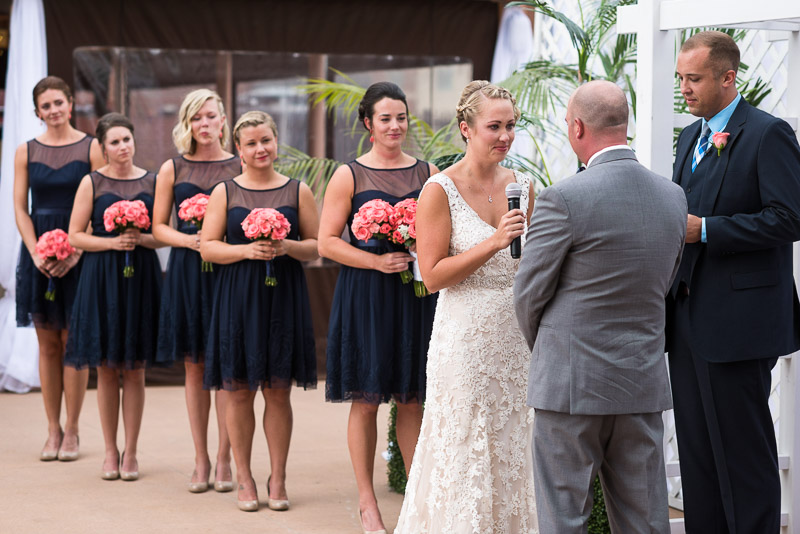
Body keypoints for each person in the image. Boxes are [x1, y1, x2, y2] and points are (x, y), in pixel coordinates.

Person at [513, 80, 686, 534]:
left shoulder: (563, 197)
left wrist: (554, 350)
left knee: (564, 519)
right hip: (640, 383)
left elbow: (529, 294)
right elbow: (665, 283)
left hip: (570, 388)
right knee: (645, 520)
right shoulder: (673, 197)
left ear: (577, 127)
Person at [668, 31, 800, 532]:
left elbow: (790, 217)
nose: (685, 88)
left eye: (694, 78)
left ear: (728, 78)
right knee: (698, 456)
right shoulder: (688, 137)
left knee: (744, 457)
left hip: (740, 325)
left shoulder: (769, 134)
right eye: (681, 77)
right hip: (685, 319)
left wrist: (708, 230)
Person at [395, 80, 536, 534]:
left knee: (515, 445)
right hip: (464, 340)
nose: (505, 136)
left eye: (511, 126)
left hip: (517, 341)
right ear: (466, 129)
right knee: (465, 448)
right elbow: (432, 276)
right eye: (494, 126)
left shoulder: (524, 187)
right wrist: (495, 242)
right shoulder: (439, 190)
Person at [319, 82, 438, 534]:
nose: (395, 126)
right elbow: (326, 241)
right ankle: (368, 503)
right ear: (368, 124)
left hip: (414, 296)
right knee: (367, 399)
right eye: (385, 118)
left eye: (401, 117)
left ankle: (417, 502)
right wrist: (375, 259)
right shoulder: (349, 175)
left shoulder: (427, 172)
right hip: (365, 296)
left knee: (411, 397)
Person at [201, 111, 318, 512]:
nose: (260, 149)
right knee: (237, 392)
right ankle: (245, 477)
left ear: (276, 141)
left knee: (278, 391)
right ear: (239, 149)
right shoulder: (225, 192)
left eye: (266, 140)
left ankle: (278, 477)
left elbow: (318, 246)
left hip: (283, 296)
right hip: (238, 297)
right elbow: (208, 247)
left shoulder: (298, 190)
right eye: (251, 143)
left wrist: (288, 247)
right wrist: (246, 251)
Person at [64, 113, 165, 481]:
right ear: (103, 148)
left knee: (135, 369)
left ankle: (132, 452)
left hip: (141, 277)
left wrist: (140, 238)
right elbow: (75, 235)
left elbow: (162, 234)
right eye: (115, 142)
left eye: (127, 139)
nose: (123, 147)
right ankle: (110, 450)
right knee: (106, 368)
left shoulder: (153, 182)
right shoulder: (91, 182)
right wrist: (111, 242)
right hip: (102, 277)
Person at [153, 89, 239, 493]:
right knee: (194, 366)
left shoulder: (240, 166)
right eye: (196, 118)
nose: (204, 124)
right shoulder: (173, 168)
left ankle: (225, 458)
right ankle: (201, 458)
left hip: (229, 273)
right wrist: (192, 241)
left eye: (210, 116)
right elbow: (158, 227)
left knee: (224, 366)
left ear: (223, 119)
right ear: (187, 125)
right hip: (188, 269)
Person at [13, 76, 104, 461]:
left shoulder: (92, 147)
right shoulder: (25, 151)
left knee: (73, 341)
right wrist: (37, 253)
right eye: (45, 106)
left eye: (58, 103)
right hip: (40, 254)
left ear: (70, 104)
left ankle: (74, 430)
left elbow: (101, 202)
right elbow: (20, 207)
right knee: (47, 342)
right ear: (37, 112)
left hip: (79, 252)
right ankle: (53, 430)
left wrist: (77, 251)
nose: (53, 111)